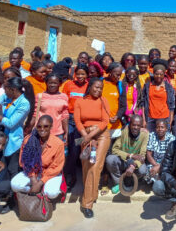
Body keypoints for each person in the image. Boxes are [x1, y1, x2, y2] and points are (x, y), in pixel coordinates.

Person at [74, 77, 110, 218]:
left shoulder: (103, 100)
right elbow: (77, 120)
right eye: (96, 87)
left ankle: (87, 203)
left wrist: (90, 136)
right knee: (86, 166)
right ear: (90, 87)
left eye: (100, 88)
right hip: (85, 134)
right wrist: (85, 135)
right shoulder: (80, 101)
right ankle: (92, 193)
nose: (98, 90)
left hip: (101, 136)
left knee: (94, 166)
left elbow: (105, 122)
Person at [0, 77, 34, 179]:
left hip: (13, 141)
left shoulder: (24, 104)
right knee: (0, 166)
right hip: (2, 136)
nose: (4, 92)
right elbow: (2, 98)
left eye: (6, 89)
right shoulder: (9, 97)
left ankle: (13, 192)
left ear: (13, 90)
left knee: (12, 169)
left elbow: (11, 123)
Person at [11, 116, 65, 201]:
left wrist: (40, 183)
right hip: (32, 172)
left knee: (51, 193)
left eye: (46, 126)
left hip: (50, 174)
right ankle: (33, 191)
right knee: (14, 184)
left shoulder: (58, 144)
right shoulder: (28, 140)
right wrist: (33, 178)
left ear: (51, 127)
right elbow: (23, 162)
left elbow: (56, 167)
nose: (42, 129)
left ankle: (43, 190)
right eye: (39, 126)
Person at [105, 115, 148, 194]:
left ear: (141, 126)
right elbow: (114, 150)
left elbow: (142, 155)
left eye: (138, 125)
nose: (135, 127)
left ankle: (130, 180)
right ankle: (118, 183)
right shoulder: (123, 131)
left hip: (135, 163)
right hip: (123, 160)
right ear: (129, 124)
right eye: (134, 125)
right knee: (110, 159)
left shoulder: (144, 135)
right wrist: (131, 155)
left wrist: (133, 166)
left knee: (143, 170)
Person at [62, 64, 89, 188]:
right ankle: (70, 174)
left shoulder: (88, 86)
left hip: (83, 121)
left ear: (87, 75)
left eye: (83, 74)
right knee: (70, 146)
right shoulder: (68, 85)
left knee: (79, 146)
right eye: (78, 73)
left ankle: (79, 173)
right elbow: (64, 101)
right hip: (71, 120)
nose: (80, 76)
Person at [28, 73, 69, 142]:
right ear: (46, 83)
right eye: (50, 83)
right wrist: (28, 130)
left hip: (58, 133)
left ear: (59, 84)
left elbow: (64, 116)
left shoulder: (64, 97)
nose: (52, 85)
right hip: (41, 132)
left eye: (55, 83)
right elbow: (35, 115)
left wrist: (66, 132)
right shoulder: (39, 96)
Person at [142, 59, 175, 132]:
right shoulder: (147, 86)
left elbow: (172, 106)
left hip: (164, 118)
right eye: (156, 74)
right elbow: (143, 104)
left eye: (161, 74)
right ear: (153, 74)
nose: (159, 76)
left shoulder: (169, 87)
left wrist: (170, 121)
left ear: (164, 74)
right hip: (150, 118)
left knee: (163, 140)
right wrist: (144, 120)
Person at [146, 119, 175, 183]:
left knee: (167, 172)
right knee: (147, 171)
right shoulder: (152, 135)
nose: (160, 129)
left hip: (166, 164)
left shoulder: (171, 138)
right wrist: (156, 165)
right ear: (155, 128)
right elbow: (148, 154)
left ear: (166, 129)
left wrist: (159, 167)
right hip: (154, 163)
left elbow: (172, 157)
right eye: (158, 127)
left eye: (162, 127)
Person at [102, 62, 123, 139]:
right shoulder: (101, 83)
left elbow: (123, 105)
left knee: (112, 149)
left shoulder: (120, 85)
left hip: (115, 124)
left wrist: (117, 116)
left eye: (120, 75)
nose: (119, 77)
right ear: (110, 72)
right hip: (102, 122)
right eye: (117, 74)